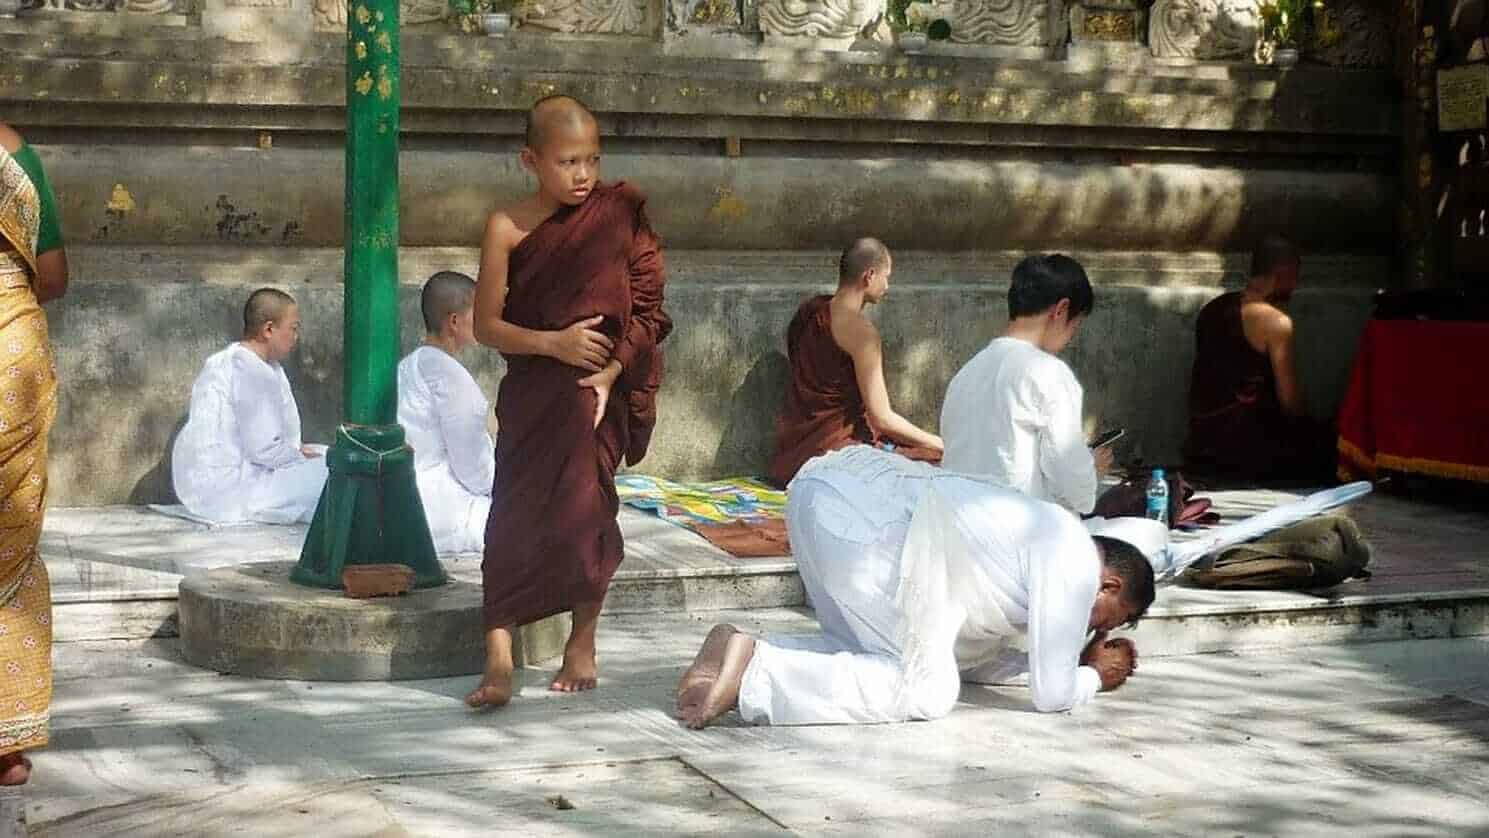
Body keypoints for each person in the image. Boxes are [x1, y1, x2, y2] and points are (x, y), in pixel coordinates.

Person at [675, 446, 1158, 728]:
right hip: (871, 525)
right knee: (926, 691)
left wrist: (1070, 660)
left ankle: (741, 650)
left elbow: (976, 661)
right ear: (1108, 586)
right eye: (1106, 621)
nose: (1093, 632)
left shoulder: (1039, 537)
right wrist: (1094, 675)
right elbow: (1051, 696)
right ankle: (759, 672)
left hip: (823, 492)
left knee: (865, 650)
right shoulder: (1073, 558)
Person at [466, 95, 671, 707]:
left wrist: (610, 373)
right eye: (567, 161)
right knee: (511, 521)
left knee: (586, 517)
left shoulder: (617, 213)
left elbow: (648, 306)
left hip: (592, 395)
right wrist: (551, 343)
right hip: (534, 390)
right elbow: (485, 327)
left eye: (592, 159)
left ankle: (582, 641)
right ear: (531, 160)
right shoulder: (506, 226)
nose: (583, 175)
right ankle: (498, 656)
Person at [0, 122, 68, 800]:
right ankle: (8, 744)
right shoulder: (16, 155)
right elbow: (53, 277)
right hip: (11, 356)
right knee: (11, 548)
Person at [940, 254, 1112, 515]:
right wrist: (1091, 470)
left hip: (960, 527)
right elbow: (1074, 486)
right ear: (1060, 310)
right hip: (1022, 536)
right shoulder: (1049, 373)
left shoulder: (965, 375)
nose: (1070, 339)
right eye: (1074, 327)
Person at [767, 239, 944, 486]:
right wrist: (938, 442)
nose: (887, 286)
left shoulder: (810, 311)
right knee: (934, 463)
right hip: (834, 455)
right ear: (869, 275)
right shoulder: (862, 333)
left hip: (792, 455)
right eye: (886, 276)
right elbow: (882, 418)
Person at [1184, 236, 1336, 481]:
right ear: (1283, 272)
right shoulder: (1276, 322)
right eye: (1296, 275)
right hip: (1250, 449)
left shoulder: (1212, 309)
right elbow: (1291, 404)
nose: (1296, 285)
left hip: (1202, 444)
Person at [171, 288, 328, 524]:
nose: (296, 337)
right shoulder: (249, 370)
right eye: (293, 329)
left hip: (220, 481)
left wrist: (296, 451)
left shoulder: (239, 360)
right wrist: (297, 457)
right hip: (232, 489)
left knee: (326, 453)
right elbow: (263, 450)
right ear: (268, 329)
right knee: (337, 471)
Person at [397, 271, 495, 554]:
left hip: (408, 496)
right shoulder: (449, 376)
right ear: (454, 321)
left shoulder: (409, 365)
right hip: (440, 505)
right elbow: (472, 468)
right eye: (477, 312)